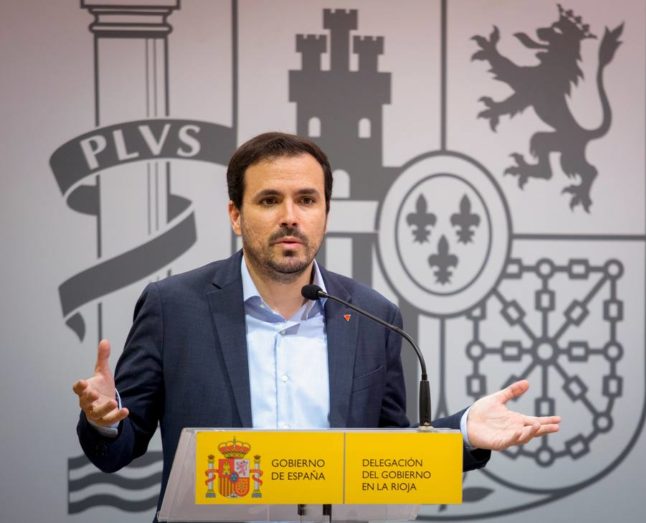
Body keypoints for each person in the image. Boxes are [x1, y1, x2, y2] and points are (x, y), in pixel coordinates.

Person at [73, 132, 560, 512]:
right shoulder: (173, 307)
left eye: (306, 200)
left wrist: (464, 432)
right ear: (236, 215)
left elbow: (387, 458)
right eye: (269, 200)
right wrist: (104, 421)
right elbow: (117, 450)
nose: (290, 216)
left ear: (325, 212)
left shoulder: (373, 317)